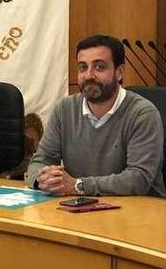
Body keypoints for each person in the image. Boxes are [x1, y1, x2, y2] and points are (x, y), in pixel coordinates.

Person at [26, 35, 165, 197]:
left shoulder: (142, 113)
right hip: (80, 208)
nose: (89, 75)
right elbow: (40, 161)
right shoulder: (64, 109)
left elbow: (138, 179)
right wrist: (42, 180)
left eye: (99, 67)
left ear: (119, 73)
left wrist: (78, 186)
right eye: (83, 68)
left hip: (139, 212)